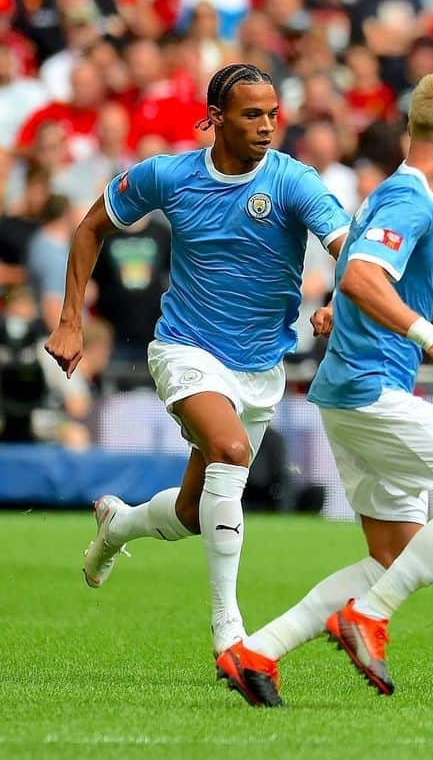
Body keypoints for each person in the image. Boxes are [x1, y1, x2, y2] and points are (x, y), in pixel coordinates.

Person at [215, 73, 433, 707]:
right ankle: (367, 618)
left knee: (393, 557)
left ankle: (257, 651)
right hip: (371, 392)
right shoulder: (410, 200)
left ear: (412, 128)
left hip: (355, 392)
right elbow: (364, 275)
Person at [44, 63, 351, 655]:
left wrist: (339, 296)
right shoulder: (169, 176)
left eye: (272, 115)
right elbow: (89, 228)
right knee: (232, 454)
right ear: (214, 120)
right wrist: (70, 319)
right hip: (185, 349)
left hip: (260, 368)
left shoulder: (294, 182)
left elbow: (349, 247)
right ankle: (228, 630)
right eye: (251, 115)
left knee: (191, 512)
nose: (266, 127)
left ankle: (119, 524)